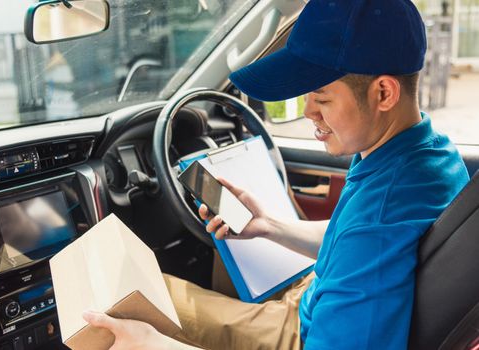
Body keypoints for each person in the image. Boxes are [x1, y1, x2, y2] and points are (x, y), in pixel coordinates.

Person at [83, 0, 470, 349]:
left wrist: (155, 346)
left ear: (384, 94)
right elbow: (348, 238)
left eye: (320, 97)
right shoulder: (426, 154)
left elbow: (366, 240)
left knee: (119, 307)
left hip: (305, 331)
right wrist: (268, 226)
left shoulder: (382, 214)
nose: (308, 112)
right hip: (316, 297)